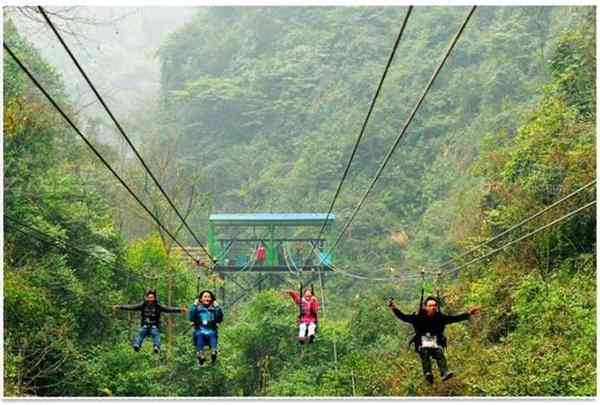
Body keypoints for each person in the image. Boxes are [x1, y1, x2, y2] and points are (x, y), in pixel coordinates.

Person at [388, 296, 480, 384]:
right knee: (425, 352)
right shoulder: (418, 317)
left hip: (436, 344)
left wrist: (468, 314)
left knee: (439, 353)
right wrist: (393, 308)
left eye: (435, 305)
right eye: (430, 305)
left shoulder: (440, 318)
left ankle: (444, 373)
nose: (433, 307)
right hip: (422, 344)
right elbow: (403, 317)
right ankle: (428, 373)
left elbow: (454, 318)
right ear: (425, 307)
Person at [113, 288, 186, 354]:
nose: (150, 299)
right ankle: (137, 345)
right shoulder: (143, 305)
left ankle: (156, 347)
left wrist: (179, 310)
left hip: (154, 326)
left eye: (152, 297)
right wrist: (119, 307)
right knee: (141, 332)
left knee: (155, 333)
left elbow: (168, 309)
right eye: (149, 297)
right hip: (145, 325)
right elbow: (131, 307)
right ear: (147, 298)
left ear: (154, 298)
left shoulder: (158, 306)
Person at [189, 290, 224, 366]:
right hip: (200, 330)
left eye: (209, 297)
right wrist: (194, 305)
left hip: (211, 329)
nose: (207, 298)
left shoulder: (213, 310)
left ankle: (213, 351)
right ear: (201, 299)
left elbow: (220, 318)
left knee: (212, 334)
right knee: (200, 334)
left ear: (211, 299)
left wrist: (217, 307)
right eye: (205, 297)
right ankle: (200, 353)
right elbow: (191, 317)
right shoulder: (198, 310)